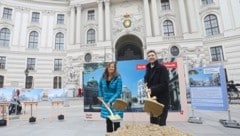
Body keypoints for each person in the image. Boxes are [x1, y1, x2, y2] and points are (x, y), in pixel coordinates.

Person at [144, 50, 170, 126]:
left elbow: (165, 84)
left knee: (161, 124)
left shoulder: (162, 68)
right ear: (147, 58)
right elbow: (147, 80)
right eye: (149, 56)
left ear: (156, 56)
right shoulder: (148, 68)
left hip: (162, 100)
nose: (151, 57)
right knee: (153, 123)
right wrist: (145, 84)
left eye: (152, 55)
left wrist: (151, 89)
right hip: (152, 100)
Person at [98, 62, 123, 133]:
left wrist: (111, 101)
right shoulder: (103, 77)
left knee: (116, 124)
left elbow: (118, 92)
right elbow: (100, 86)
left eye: (113, 67)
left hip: (115, 103)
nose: (111, 68)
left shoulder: (118, 78)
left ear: (115, 68)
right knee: (108, 122)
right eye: (110, 66)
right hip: (106, 102)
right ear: (107, 68)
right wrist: (100, 95)